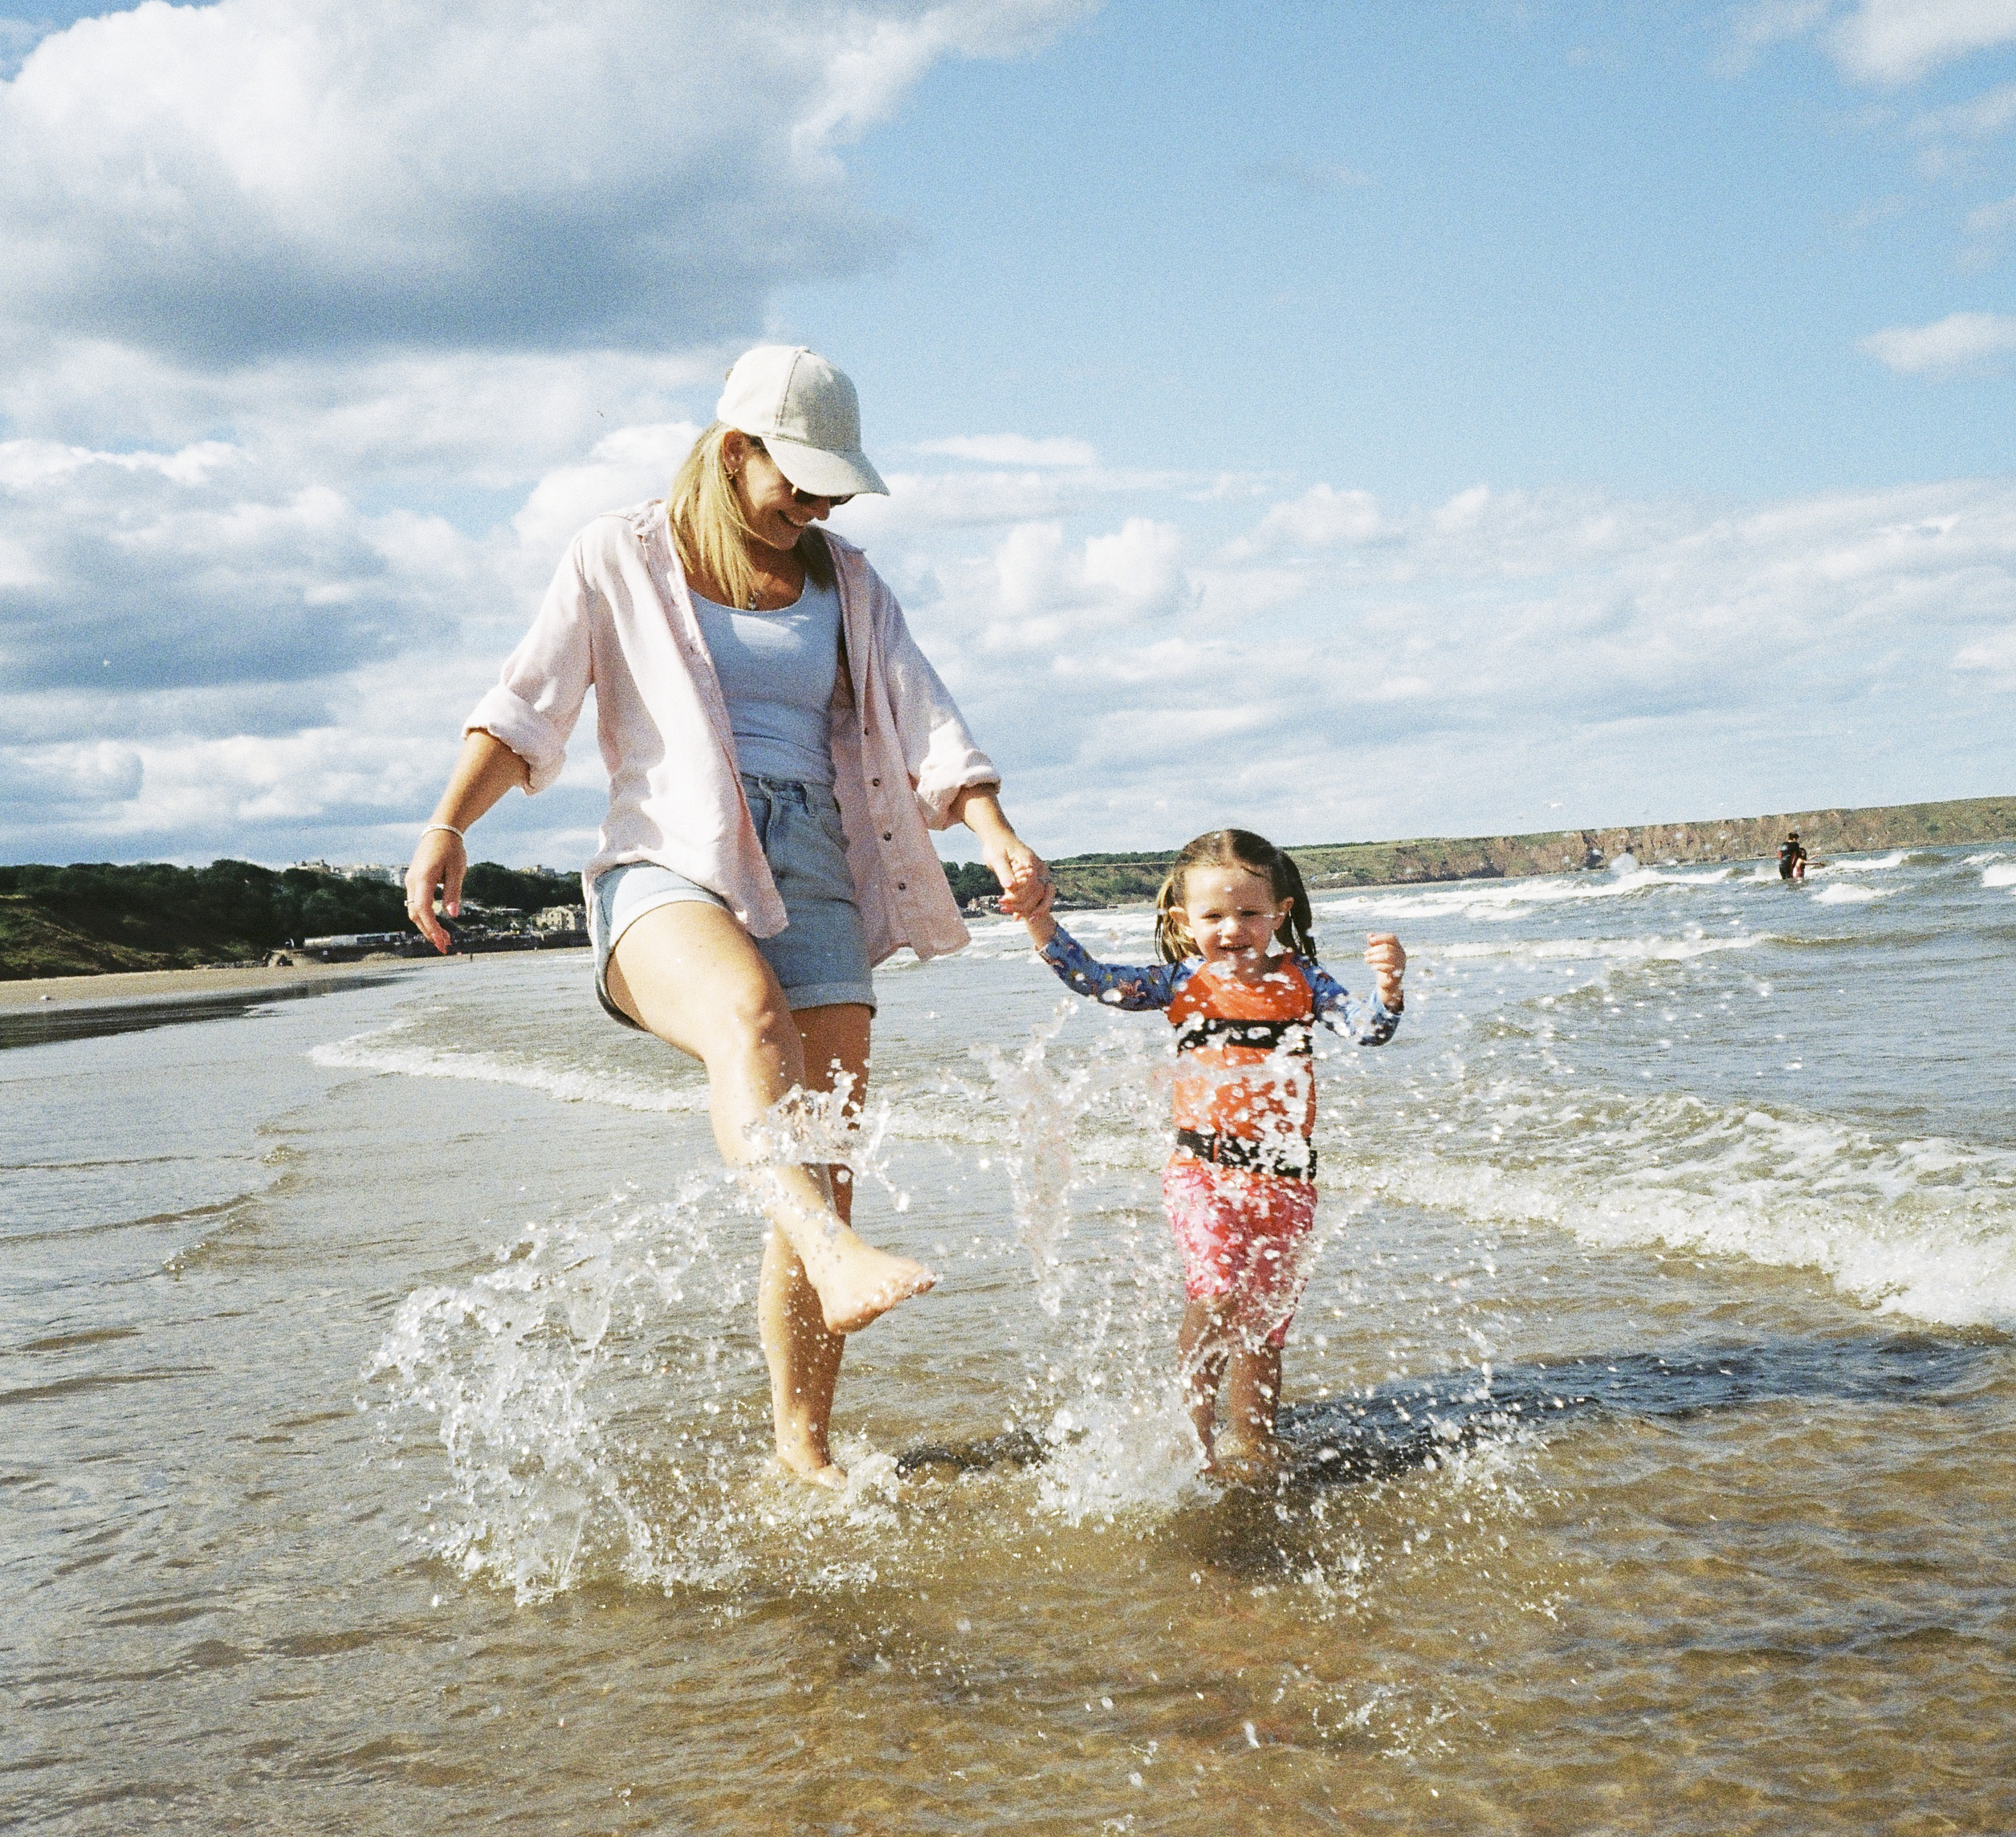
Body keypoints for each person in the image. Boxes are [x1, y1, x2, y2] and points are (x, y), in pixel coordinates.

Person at [404, 344, 1052, 1484]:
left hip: (817, 867)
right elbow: (525, 708)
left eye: (832, 494)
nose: (814, 510)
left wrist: (996, 833)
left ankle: (804, 1453)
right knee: (751, 1021)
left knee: (824, 1160)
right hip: (669, 863)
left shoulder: (847, 581)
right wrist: (450, 826)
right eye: (796, 486)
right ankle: (832, 1256)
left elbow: (929, 717)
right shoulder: (620, 553)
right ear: (734, 449)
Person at [1022, 829, 1406, 1478]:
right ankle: (1193, 1434)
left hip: (1287, 1184)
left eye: (1250, 914)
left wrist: (1389, 988)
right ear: (1183, 920)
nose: (1233, 929)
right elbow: (1094, 980)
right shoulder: (1180, 982)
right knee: (1220, 1290)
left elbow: (1367, 1031)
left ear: (1280, 913)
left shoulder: (1303, 980)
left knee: (1265, 1325)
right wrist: (1039, 920)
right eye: (1214, 916)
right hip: (1202, 1174)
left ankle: (1253, 1441)